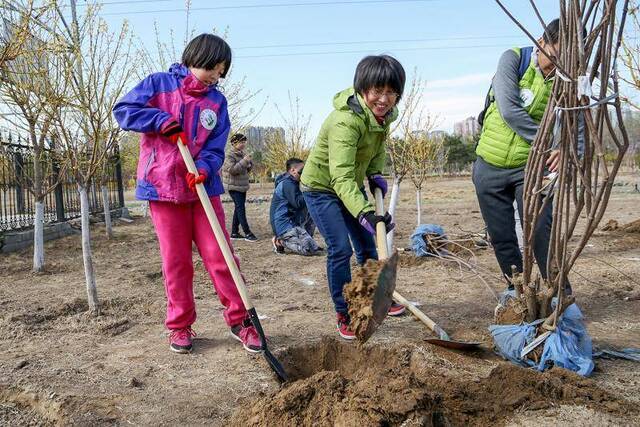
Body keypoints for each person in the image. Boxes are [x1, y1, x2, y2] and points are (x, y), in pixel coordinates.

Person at [113, 33, 261, 354]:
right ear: (196, 56)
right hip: (163, 188)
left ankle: (241, 319)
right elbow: (123, 110)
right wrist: (158, 119)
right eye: (213, 67)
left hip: (203, 190)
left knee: (220, 256)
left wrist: (206, 167)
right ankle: (179, 325)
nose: (216, 76)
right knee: (176, 262)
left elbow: (215, 146)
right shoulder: (158, 84)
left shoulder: (216, 102)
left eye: (221, 71)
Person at [300, 55, 407, 341]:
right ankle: (344, 311)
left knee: (368, 244)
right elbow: (342, 177)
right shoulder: (345, 121)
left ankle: (372, 300)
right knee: (340, 248)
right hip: (322, 187)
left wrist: (374, 173)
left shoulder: (384, 117)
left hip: (347, 184)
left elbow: (376, 148)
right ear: (362, 89)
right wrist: (364, 211)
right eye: (377, 91)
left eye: (391, 92)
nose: (383, 99)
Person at [473, 19, 576, 293]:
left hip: (528, 168)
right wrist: (551, 143)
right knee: (502, 237)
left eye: (564, 61)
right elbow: (509, 111)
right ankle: (518, 293)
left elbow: (577, 124)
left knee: (542, 230)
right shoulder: (513, 59)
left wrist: (565, 148)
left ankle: (560, 295)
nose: (555, 66)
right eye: (554, 56)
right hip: (488, 166)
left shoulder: (567, 81)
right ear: (541, 42)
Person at [269, 158, 322, 256]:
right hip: (284, 225)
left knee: (312, 209)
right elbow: (298, 203)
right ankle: (280, 241)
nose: (304, 173)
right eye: (302, 170)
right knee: (309, 250)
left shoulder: (294, 182)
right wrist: (310, 189)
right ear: (293, 170)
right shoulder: (287, 183)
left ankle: (307, 240)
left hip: (294, 222)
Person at [222, 133, 258, 241]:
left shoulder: (242, 154)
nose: (243, 144)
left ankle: (234, 232)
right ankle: (247, 232)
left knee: (238, 208)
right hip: (233, 186)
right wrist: (244, 161)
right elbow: (232, 170)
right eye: (241, 142)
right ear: (234, 143)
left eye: (244, 142)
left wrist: (249, 164)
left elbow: (244, 169)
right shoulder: (229, 155)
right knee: (241, 208)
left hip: (242, 185)